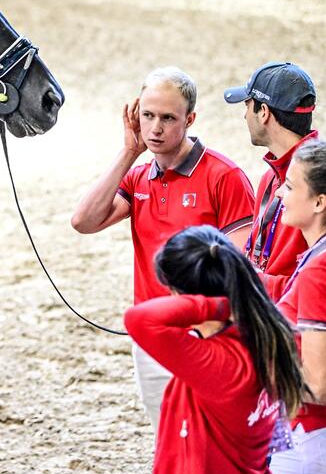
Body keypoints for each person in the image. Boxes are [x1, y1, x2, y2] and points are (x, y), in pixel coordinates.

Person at [71, 66, 255, 434]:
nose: (155, 128)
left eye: (168, 118)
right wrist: (128, 152)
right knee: (167, 437)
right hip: (154, 334)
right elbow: (84, 221)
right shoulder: (138, 177)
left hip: (208, 336)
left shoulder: (224, 176)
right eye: (148, 116)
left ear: (190, 119)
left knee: (210, 440)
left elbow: (241, 267)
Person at [124, 225, 306, 474]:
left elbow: (139, 319)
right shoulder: (264, 334)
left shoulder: (220, 361)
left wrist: (220, 305)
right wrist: (238, 297)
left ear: (178, 294)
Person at [224, 61, 318, 301]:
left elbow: (316, 283)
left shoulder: (317, 179)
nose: (245, 115)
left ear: (263, 112)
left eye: (247, 106)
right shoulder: (270, 177)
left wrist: (248, 280)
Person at [270, 139, 326, 474]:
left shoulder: (318, 269)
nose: (279, 194)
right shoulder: (316, 258)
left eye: (290, 186)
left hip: (306, 434)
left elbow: (318, 386)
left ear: (319, 201)